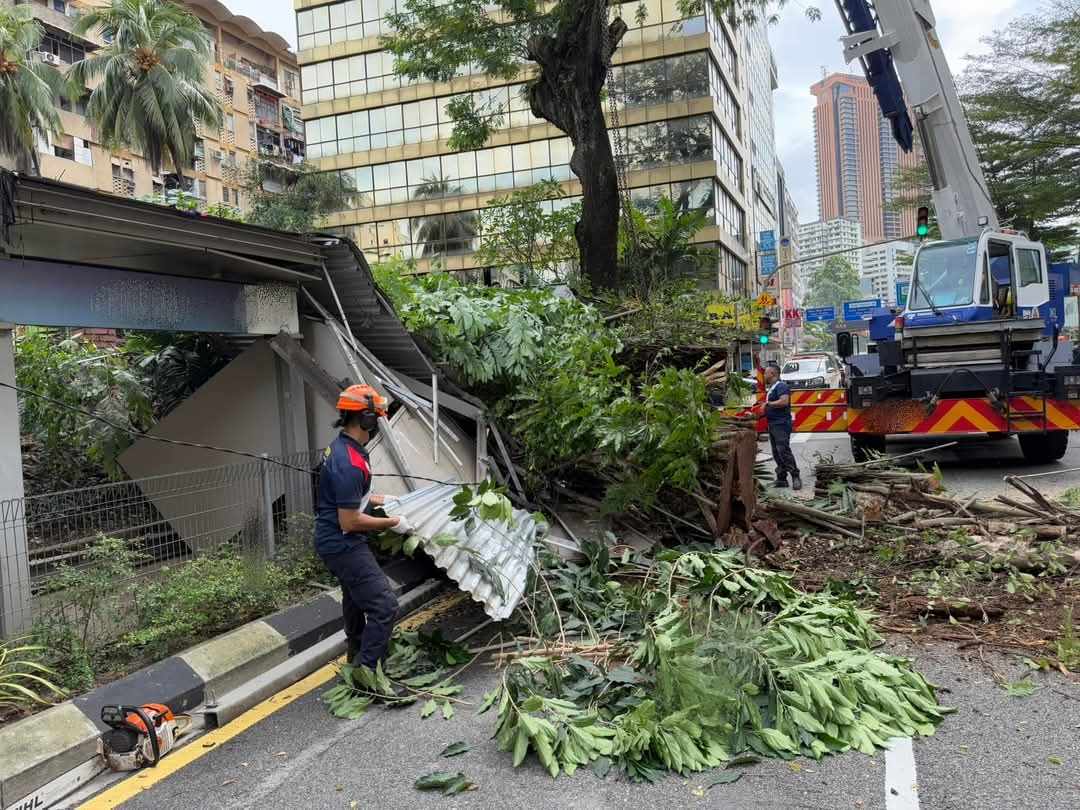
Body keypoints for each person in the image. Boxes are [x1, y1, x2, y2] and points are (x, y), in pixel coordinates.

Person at [315, 384, 412, 669]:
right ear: (366, 419)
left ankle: (356, 657)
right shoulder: (348, 463)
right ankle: (369, 671)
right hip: (342, 542)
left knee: (355, 599)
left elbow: (353, 500)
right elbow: (350, 520)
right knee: (385, 606)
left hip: (335, 537)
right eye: (377, 417)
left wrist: (384, 500)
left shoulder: (345, 447)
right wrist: (393, 522)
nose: (379, 422)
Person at [755, 365, 801, 490]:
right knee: (776, 452)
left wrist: (768, 404)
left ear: (773, 374)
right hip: (773, 424)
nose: (764, 375)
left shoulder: (782, 386)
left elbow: (784, 401)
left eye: (766, 373)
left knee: (783, 450)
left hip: (781, 424)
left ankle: (795, 476)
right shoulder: (772, 388)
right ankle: (781, 478)